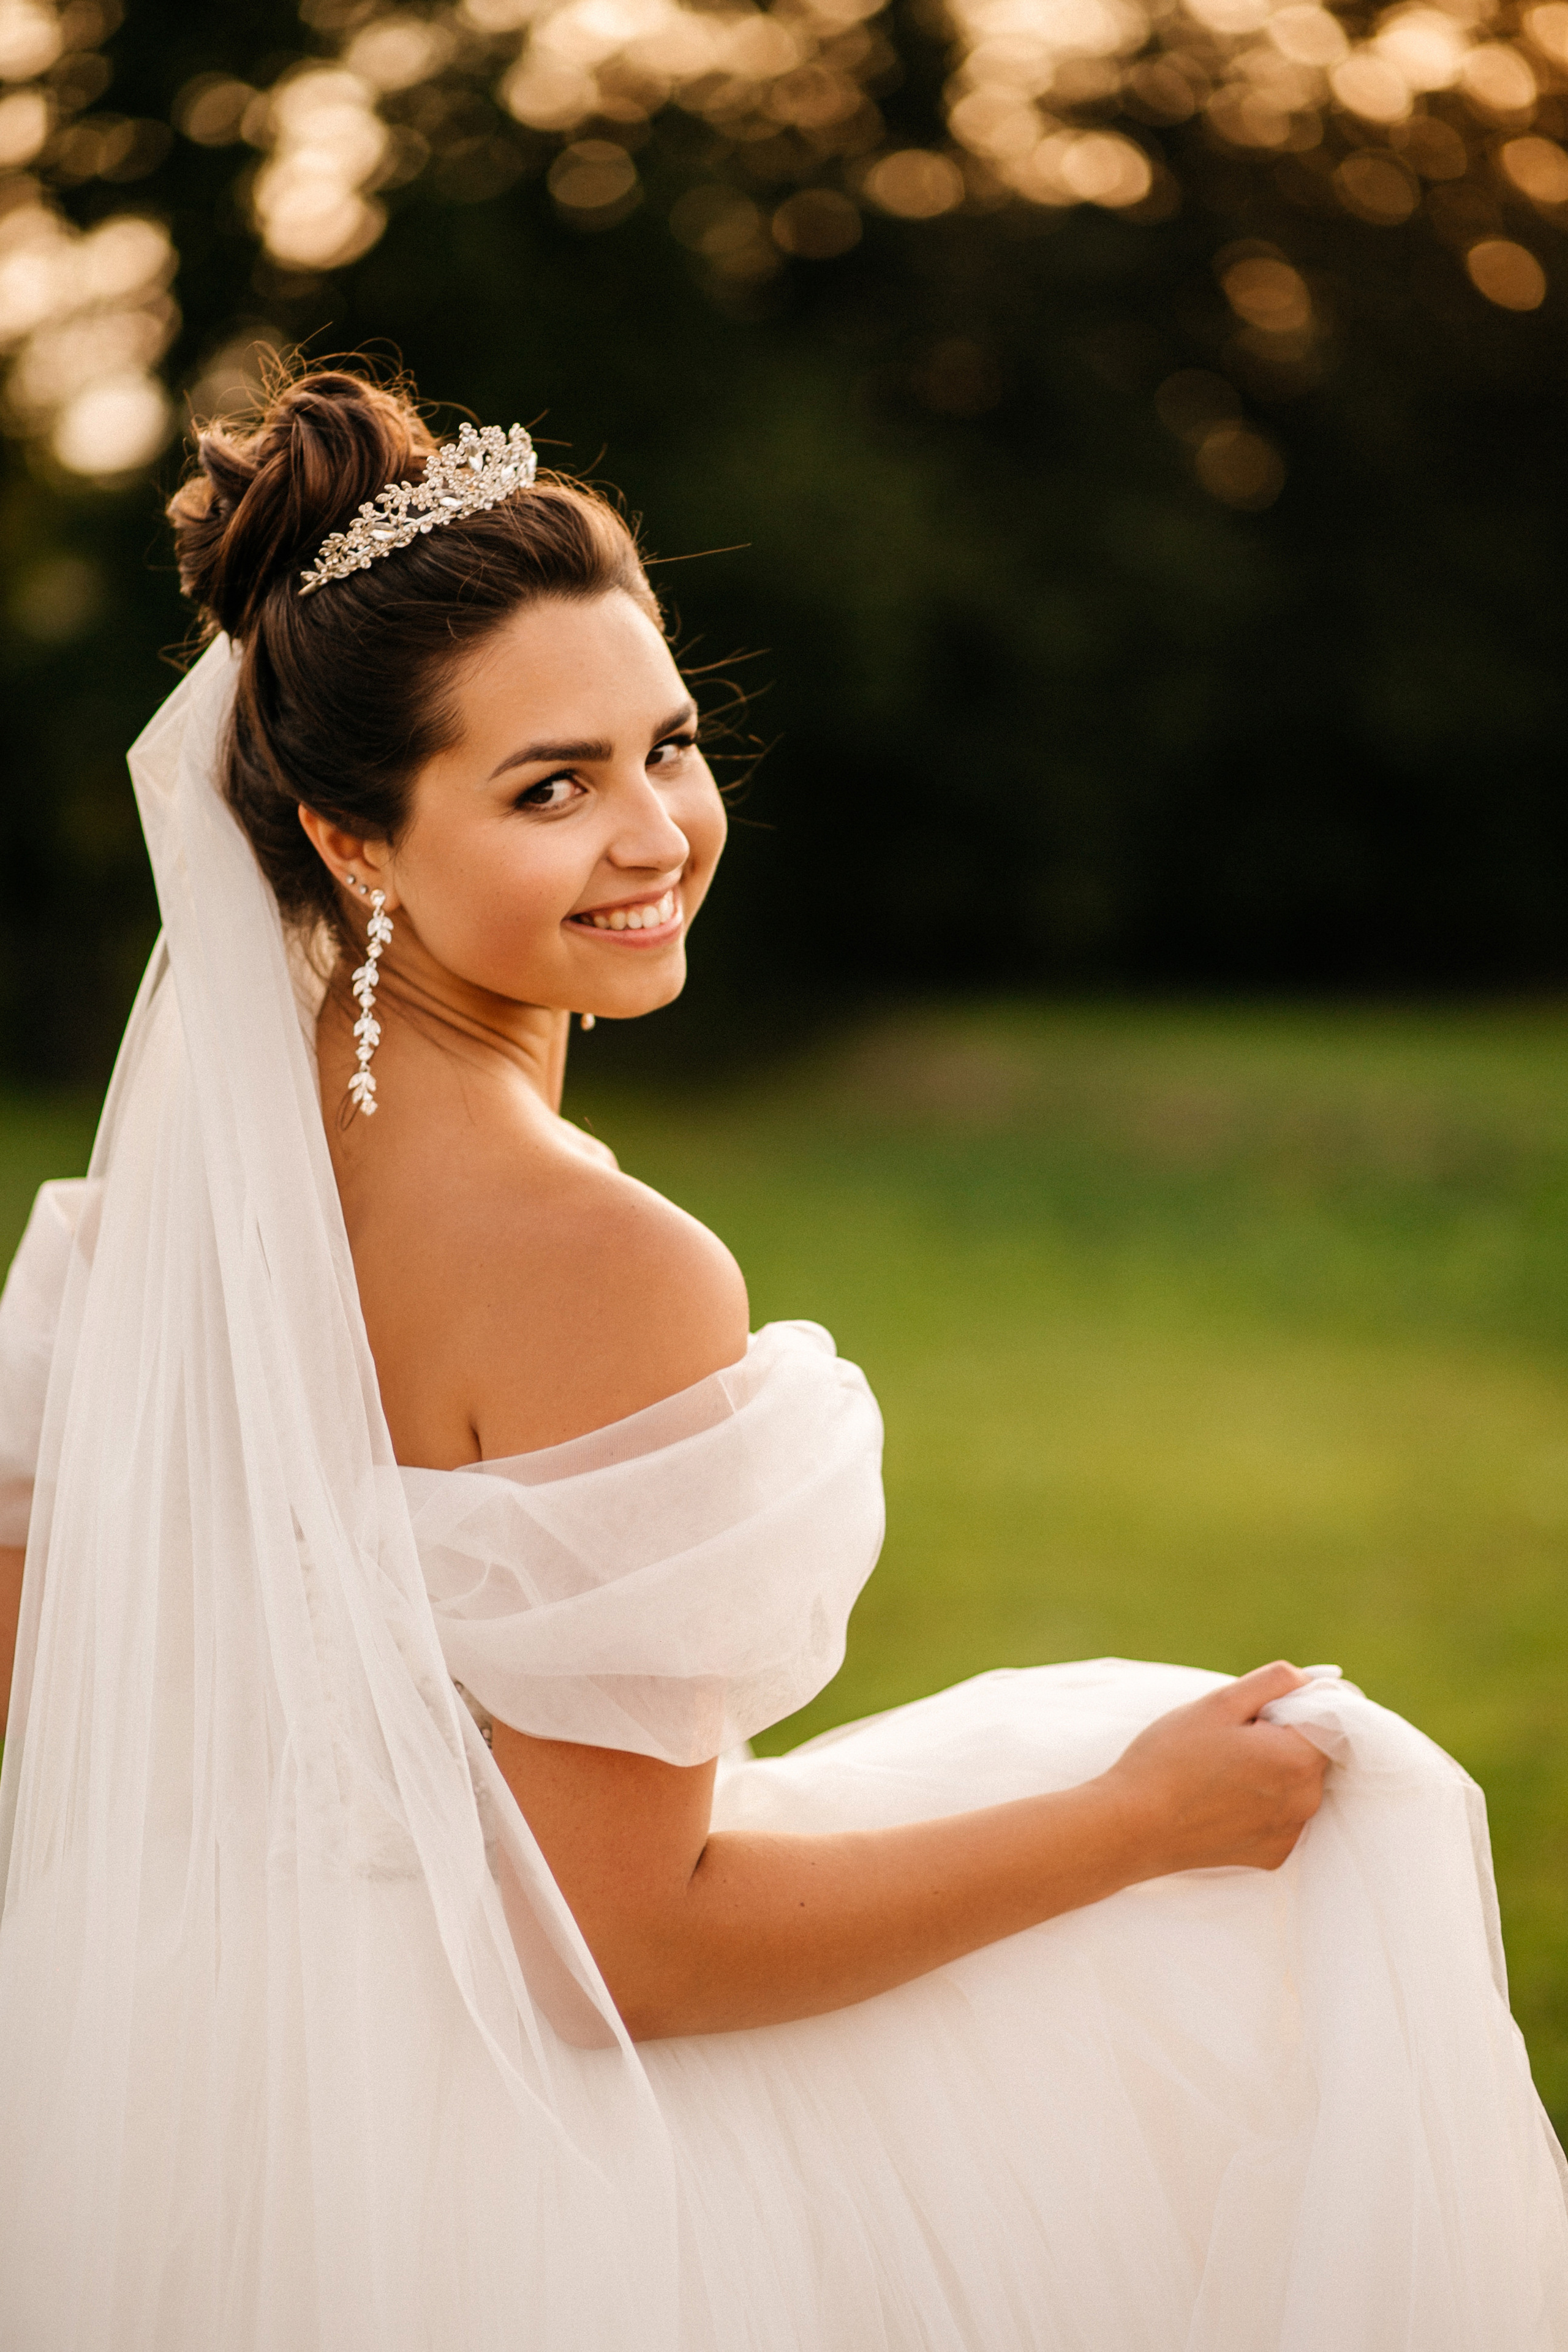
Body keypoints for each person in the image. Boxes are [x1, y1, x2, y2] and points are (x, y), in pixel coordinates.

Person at [0, 364, 1562, 2352]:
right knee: (1294, 1907)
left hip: (167, 2121)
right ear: (354, 836)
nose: (657, 831)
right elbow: (624, 1956)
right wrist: (1146, 1826)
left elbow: (59, 1709)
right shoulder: (597, 1264)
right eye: (548, 786)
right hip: (508, 2198)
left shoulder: (151, 1222)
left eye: (667, 744)